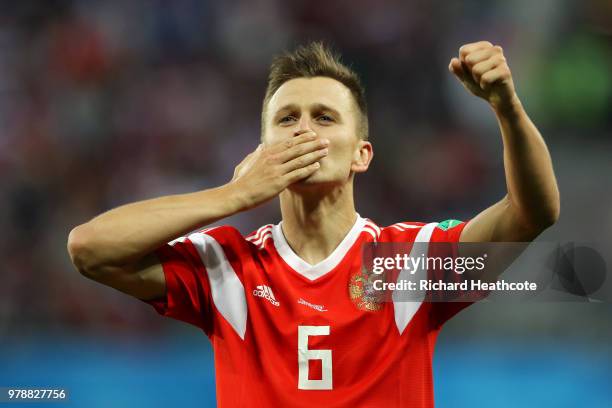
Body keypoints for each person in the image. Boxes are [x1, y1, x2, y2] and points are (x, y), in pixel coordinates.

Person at [67, 41, 560, 407]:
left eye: (324, 118)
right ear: (262, 151)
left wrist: (507, 107)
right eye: (287, 119)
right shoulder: (229, 268)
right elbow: (89, 248)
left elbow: (531, 213)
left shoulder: (407, 262)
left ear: (361, 155)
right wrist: (232, 195)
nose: (304, 129)